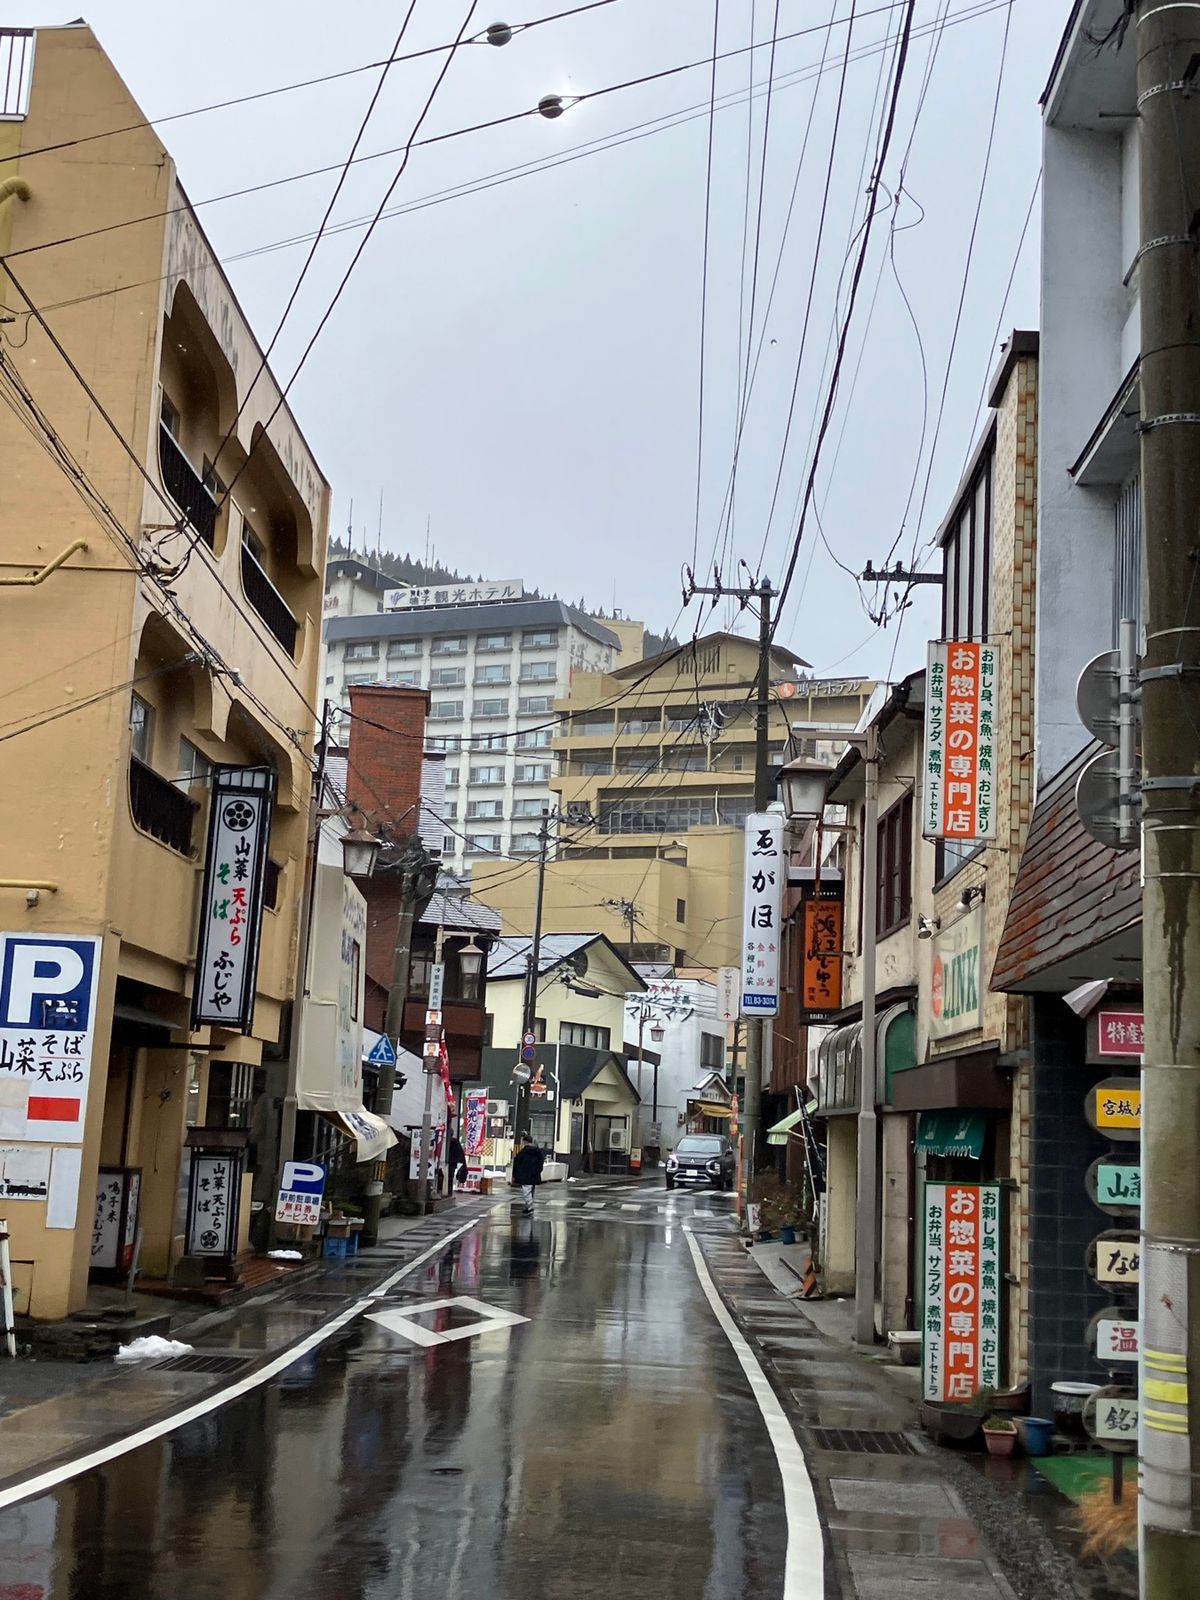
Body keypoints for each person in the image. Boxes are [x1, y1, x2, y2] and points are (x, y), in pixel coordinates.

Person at [512, 1132, 544, 1216]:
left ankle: (529, 1207)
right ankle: (527, 1207)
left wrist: (515, 1175)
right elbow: (540, 1164)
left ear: (525, 1142)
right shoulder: (538, 1152)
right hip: (534, 1175)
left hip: (524, 1175)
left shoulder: (523, 1152)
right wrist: (538, 1172)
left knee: (526, 1192)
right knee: (530, 1192)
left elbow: (517, 1164)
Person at [447, 1131, 467, 1197]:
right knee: (450, 1178)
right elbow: (461, 1154)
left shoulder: (445, 1141)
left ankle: (447, 1191)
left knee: (447, 1178)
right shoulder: (455, 1142)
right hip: (452, 1163)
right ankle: (449, 1192)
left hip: (448, 1162)